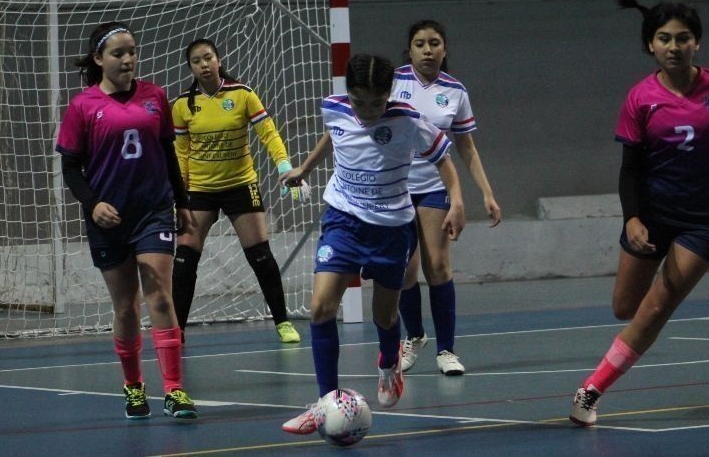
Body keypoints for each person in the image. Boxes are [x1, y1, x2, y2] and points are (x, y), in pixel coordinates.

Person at [569, 0, 709, 428]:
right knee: (626, 307)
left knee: (656, 308)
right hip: (653, 215)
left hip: (703, 221)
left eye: (683, 38)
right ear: (651, 45)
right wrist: (633, 217)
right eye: (664, 38)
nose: (674, 47)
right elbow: (629, 169)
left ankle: (590, 391)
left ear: (696, 42)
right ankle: (646, 316)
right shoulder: (640, 99)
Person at [279, 54, 465, 435]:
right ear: (348, 94)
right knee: (319, 309)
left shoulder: (408, 120)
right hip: (343, 219)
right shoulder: (334, 107)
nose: (367, 112)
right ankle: (324, 401)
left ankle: (387, 362)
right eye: (359, 102)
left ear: (388, 96)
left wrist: (457, 201)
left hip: (391, 227)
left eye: (375, 104)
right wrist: (306, 168)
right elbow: (335, 133)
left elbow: (444, 158)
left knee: (384, 316)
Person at [55, 21, 197, 420]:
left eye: (132, 50)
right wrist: (93, 204)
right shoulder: (83, 106)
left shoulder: (155, 97)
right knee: (126, 308)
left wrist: (181, 203)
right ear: (100, 59)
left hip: (153, 210)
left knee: (161, 297)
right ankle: (134, 387)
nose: (128, 59)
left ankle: (174, 389)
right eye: (118, 53)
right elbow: (70, 168)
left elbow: (167, 152)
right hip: (109, 217)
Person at [170, 38, 306, 344]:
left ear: (218, 60)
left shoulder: (242, 94)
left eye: (208, 58)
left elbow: (268, 133)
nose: (203, 65)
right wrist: (179, 197)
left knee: (261, 255)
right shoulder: (181, 105)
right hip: (200, 190)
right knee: (185, 259)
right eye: (196, 61)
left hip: (240, 185)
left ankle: (283, 321)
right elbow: (180, 153)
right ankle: (176, 330)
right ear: (191, 67)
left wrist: (284, 166)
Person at [392, 20, 502, 376]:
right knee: (405, 272)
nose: (428, 50)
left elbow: (467, 147)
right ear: (409, 50)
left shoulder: (455, 91)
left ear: (445, 49)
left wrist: (486, 192)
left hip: (436, 187)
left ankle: (446, 350)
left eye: (434, 43)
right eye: (420, 44)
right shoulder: (394, 82)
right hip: (396, 188)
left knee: (437, 266)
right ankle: (415, 336)